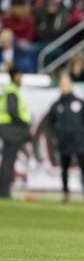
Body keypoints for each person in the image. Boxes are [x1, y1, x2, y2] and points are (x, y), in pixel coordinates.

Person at [48, 74, 84, 203]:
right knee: (64, 169)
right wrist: (57, 135)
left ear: (71, 86)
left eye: (66, 84)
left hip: (78, 140)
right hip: (64, 141)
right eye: (62, 85)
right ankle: (66, 193)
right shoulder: (56, 105)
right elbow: (51, 123)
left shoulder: (79, 102)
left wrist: (81, 132)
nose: (64, 87)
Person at [0, 67, 31, 198]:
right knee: (8, 161)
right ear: (15, 76)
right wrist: (25, 123)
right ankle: (4, 191)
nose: (21, 79)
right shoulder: (12, 92)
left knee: (7, 161)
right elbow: (13, 112)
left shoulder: (10, 91)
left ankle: (4, 190)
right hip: (11, 130)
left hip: (8, 129)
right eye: (20, 76)